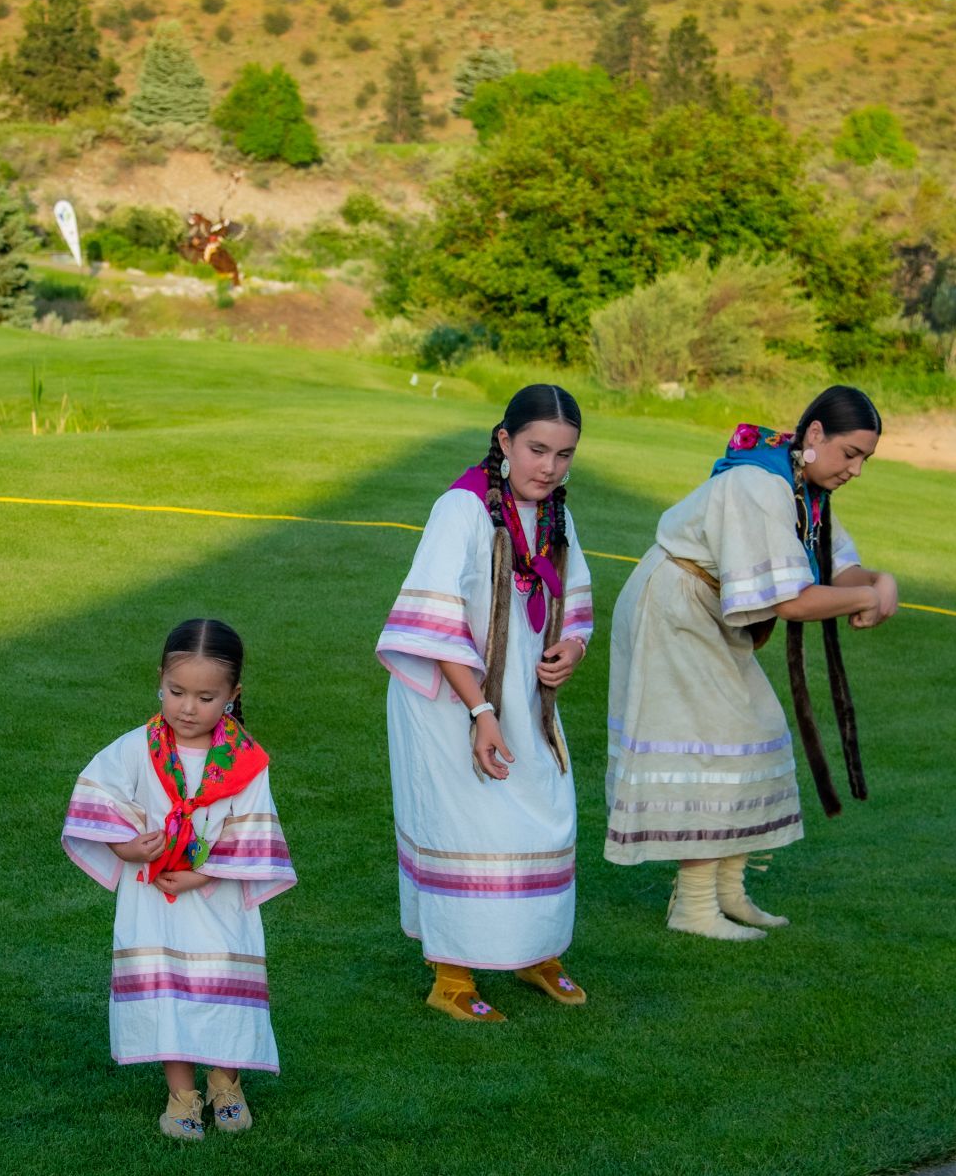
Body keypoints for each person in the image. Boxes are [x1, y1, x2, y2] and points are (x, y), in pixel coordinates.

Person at [602, 384, 898, 937]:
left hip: (707, 607)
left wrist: (882, 583)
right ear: (814, 435)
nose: (856, 469)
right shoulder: (760, 485)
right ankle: (693, 908)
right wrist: (865, 598)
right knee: (715, 745)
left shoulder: (802, 490)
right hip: (675, 607)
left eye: (865, 459)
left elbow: (836, 569)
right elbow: (788, 601)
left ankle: (729, 893)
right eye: (851, 453)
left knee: (755, 729)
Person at [376, 386, 595, 1023]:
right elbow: (433, 620)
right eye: (536, 449)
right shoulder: (462, 508)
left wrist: (574, 645)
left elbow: (574, 594)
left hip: (524, 696)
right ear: (503, 441)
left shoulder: (555, 513)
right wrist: (480, 712)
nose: (549, 467)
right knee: (468, 824)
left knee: (547, 809)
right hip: (451, 698)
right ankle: (452, 974)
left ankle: (535, 952)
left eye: (564, 455)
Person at [62, 620, 293, 1140]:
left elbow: (252, 829)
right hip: (152, 901)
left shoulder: (246, 763)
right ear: (159, 682)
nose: (188, 708)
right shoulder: (137, 748)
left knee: (222, 986)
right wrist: (124, 847)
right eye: (177, 692)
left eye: (206, 697)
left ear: (233, 696)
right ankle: (181, 1094)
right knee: (166, 989)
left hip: (219, 898)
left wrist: (200, 873)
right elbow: (95, 800)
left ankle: (226, 1082)